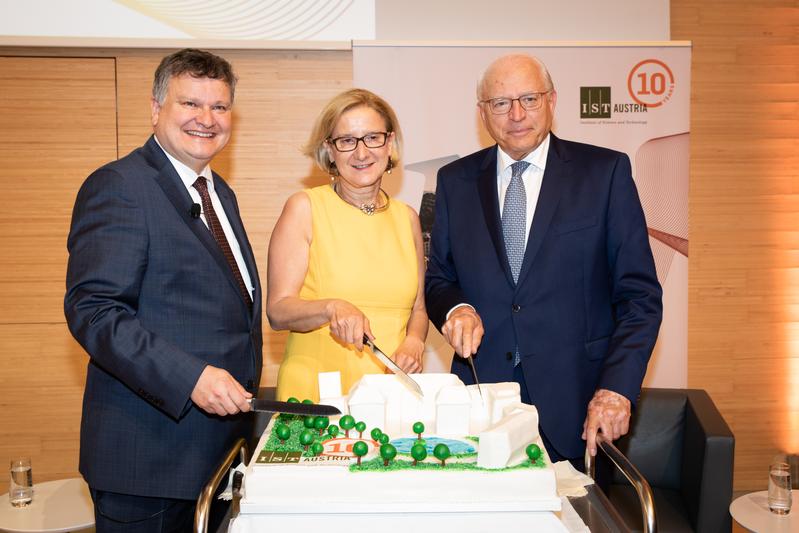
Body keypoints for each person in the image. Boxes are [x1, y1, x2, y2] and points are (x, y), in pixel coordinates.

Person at [425, 54, 662, 465]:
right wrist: (457, 308)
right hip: (481, 400)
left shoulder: (604, 173)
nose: (516, 114)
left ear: (552, 101)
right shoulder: (455, 182)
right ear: (482, 113)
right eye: (500, 103)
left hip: (578, 403)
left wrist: (616, 388)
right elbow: (439, 279)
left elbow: (639, 297)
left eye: (529, 99)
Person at [64, 48, 262, 531]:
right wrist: (191, 377)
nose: (206, 119)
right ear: (156, 110)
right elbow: (94, 310)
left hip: (213, 458)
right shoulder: (120, 186)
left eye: (219, 107)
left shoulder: (219, 193)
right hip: (148, 463)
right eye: (190, 104)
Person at [268, 88, 427, 402]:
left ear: (390, 143)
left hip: (389, 396)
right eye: (347, 141)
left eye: (372, 138)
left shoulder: (407, 218)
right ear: (330, 149)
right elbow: (278, 309)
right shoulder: (304, 208)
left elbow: (419, 308)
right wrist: (331, 307)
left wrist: (415, 341)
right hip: (317, 393)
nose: (362, 152)